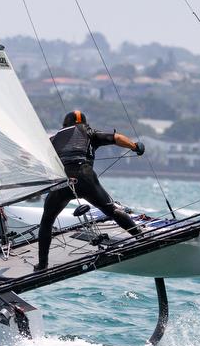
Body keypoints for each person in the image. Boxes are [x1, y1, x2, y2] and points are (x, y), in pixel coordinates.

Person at [36, 110, 145, 271]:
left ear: (64, 125)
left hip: (62, 182)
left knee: (46, 222)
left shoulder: (53, 139)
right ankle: (141, 238)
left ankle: (42, 265)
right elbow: (117, 138)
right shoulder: (89, 132)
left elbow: (37, 157)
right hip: (85, 178)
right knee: (113, 210)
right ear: (84, 123)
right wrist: (135, 146)